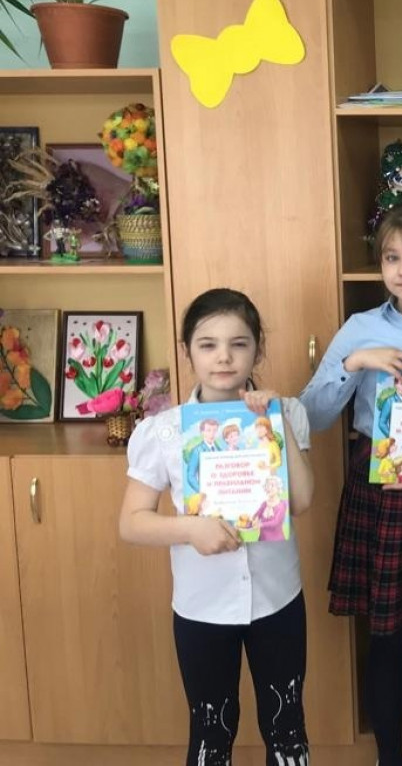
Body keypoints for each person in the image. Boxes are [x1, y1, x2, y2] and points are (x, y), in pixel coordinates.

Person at [299, 198, 402, 766]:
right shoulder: (360, 329)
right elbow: (311, 416)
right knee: (387, 639)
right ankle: (388, 758)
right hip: (381, 489)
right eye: (391, 257)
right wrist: (355, 364)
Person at [118, 288, 315, 766]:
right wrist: (191, 530)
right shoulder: (165, 430)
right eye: (208, 345)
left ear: (258, 350)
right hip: (202, 608)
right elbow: (131, 522)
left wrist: (276, 424)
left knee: (287, 729)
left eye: (238, 343)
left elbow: (302, 501)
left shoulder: (287, 412)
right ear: (187, 352)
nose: (223, 357)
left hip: (277, 601)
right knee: (211, 733)